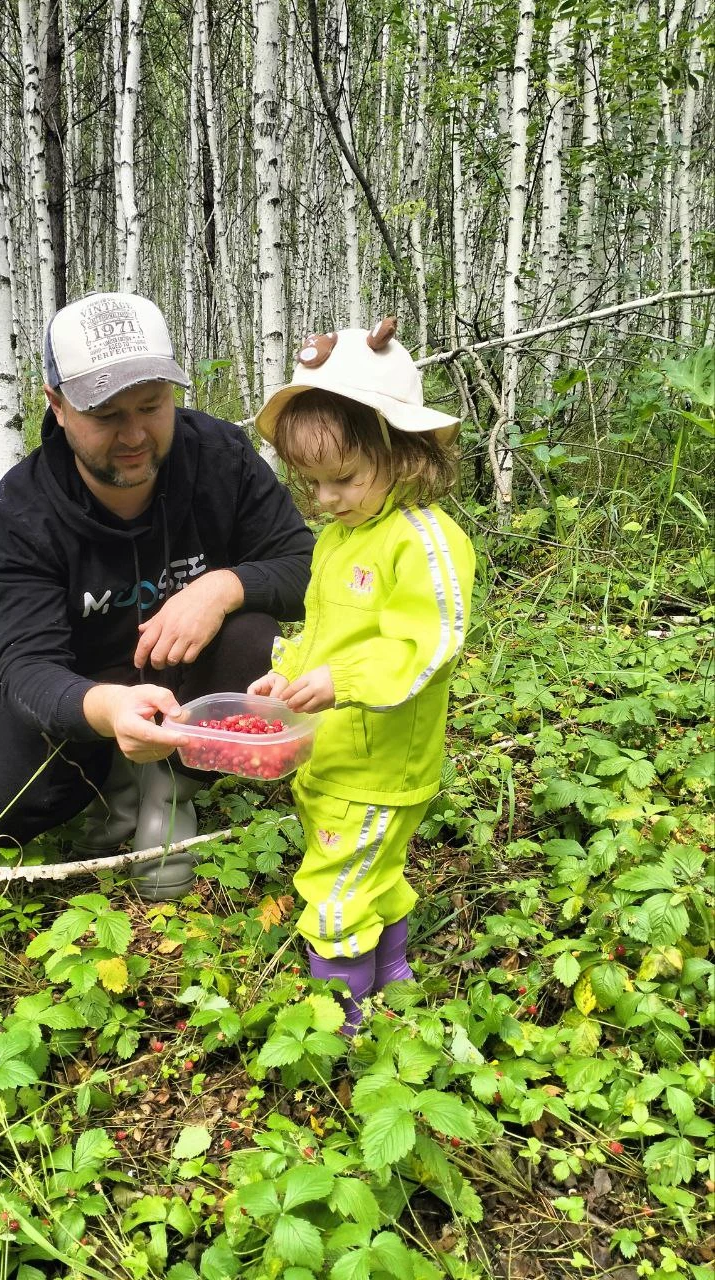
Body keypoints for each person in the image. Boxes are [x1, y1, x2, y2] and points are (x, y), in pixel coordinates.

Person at [0, 291, 314, 899]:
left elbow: (303, 564)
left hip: (189, 673)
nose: (135, 434)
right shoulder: (25, 509)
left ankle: (170, 791)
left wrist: (223, 586)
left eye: (152, 405)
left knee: (253, 630)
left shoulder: (219, 458)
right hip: (82, 680)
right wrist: (105, 709)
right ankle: (113, 780)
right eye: (105, 413)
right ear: (58, 406)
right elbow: (25, 664)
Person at [248, 320, 476, 1033]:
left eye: (344, 479)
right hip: (333, 750)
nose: (326, 500)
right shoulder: (340, 538)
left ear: (403, 452)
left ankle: (340, 1021)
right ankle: (391, 976)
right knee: (368, 872)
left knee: (334, 887)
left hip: (380, 763)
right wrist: (285, 674)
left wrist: (341, 682)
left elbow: (425, 641)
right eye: (313, 484)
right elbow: (326, 635)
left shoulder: (426, 541)